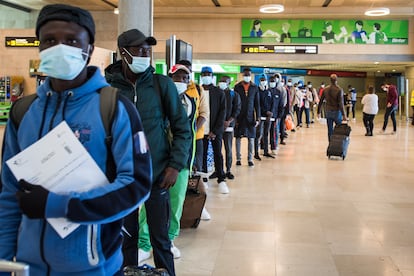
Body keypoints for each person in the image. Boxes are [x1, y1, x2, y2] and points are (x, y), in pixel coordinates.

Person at [0, 4, 152, 275]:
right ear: (40, 47)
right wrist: (2, 260)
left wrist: (59, 205)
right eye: (49, 40)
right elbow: (9, 194)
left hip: (94, 266)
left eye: (71, 40)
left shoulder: (114, 108)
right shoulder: (23, 112)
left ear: (89, 49)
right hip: (27, 267)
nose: (60, 47)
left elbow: (135, 186)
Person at [105, 29, 191, 276]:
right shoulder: (107, 88)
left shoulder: (160, 84)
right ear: (123, 52)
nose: (146, 54)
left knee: (160, 241)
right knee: (125, 240)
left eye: (148, 50)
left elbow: (182, 128)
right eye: (139, 50)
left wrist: (175, 165)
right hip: (121, 179)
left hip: (157, 176)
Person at [200, 66, 229, 194]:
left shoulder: (218, 92)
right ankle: (204, 179)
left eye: (208, 74)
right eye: (204, 74)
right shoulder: (198, 90)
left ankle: (221, 179)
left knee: (218, 154)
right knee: (202, 154)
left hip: (215, 130)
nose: (206, 76)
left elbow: (223, 113)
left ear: (212, 76)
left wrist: (215, 131)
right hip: (201, 130)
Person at [234, 67, 260, 167]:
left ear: (251, 75)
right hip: (239, 116)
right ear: (242, 75)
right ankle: (238, 159)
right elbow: (234, 103)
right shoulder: (237, 87)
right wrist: (234, 117)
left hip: (250, 117)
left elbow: (257, 104)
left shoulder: (254, 87)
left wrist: (257, 118)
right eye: (245, 75)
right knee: (238, 138)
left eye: (248, 75)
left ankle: (250, 159)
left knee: (251, 138)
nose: (247, 77)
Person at [218, 75, 241, 179]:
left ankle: (228, 170)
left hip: (228, 126)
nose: (222, 82)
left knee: (228, 148)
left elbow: (237, 109)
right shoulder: (216, 93)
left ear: (229, 83)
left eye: (224, 81)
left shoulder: (233, 95)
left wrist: (229, 121)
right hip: (217, 126)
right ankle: (219, 170)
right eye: (221, 81)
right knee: (217, 150)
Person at [317, 74, 348, 140]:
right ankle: (338, 143)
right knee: (339, 129)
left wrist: (318, 112)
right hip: (337, 112)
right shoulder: (339, 89)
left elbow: (321, 101)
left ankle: (331, 144)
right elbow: (341, 103)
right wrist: (344, 115)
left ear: (330, 80)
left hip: (328, 111)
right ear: (336, 80)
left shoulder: (325, 89)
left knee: (330, 130)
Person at [255, 74, 273, 160]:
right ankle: (256, 152)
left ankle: (266, 151)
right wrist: (265, 112)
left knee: (266, 134)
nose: (263, 81)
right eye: (262, 80)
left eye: (264, 79)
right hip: (260, 116)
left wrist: (270, 113)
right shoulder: (257, 91)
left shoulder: (268, 91)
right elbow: (257, 105)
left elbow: (271, 103)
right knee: (258, 134)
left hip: (268, 117)